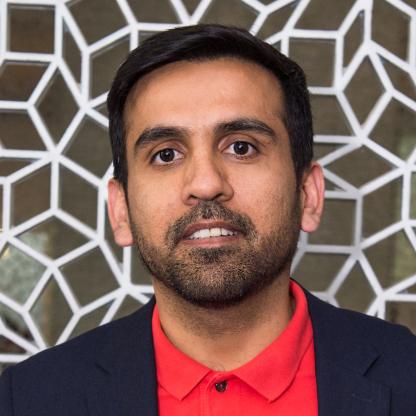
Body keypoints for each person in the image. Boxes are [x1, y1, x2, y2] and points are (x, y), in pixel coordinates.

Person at [0, 24, 415, 416]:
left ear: (308, 194)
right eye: (166, 154)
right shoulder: (29, 400)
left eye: (241, 147)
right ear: (120, 209)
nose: (205, 183)